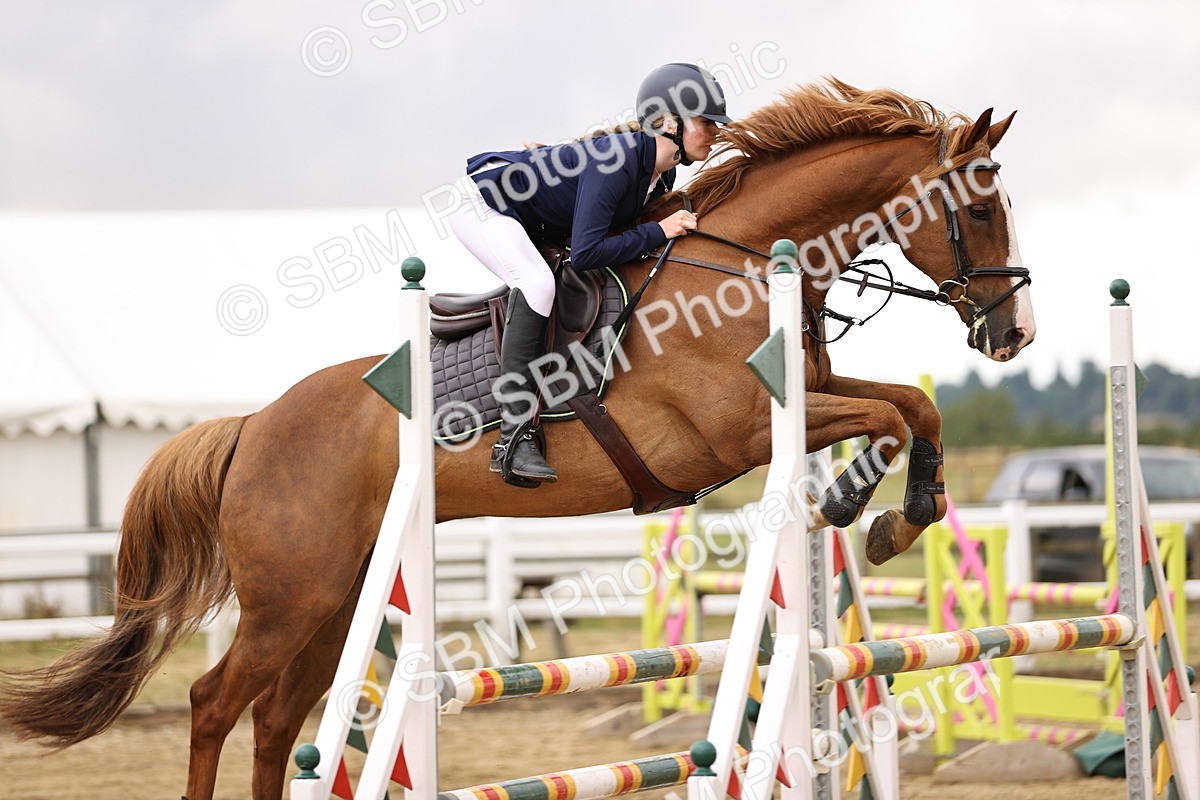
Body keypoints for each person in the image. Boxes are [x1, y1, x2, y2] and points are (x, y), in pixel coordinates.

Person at [448, 63, 732, 485]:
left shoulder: (661, 173)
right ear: (668, 122)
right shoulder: (616, 162)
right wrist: (659, 230)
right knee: (538, 284)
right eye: (705, 122)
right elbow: (585, 254)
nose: (714, 131)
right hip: (482, 205)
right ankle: (512, 438)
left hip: (528, 215)